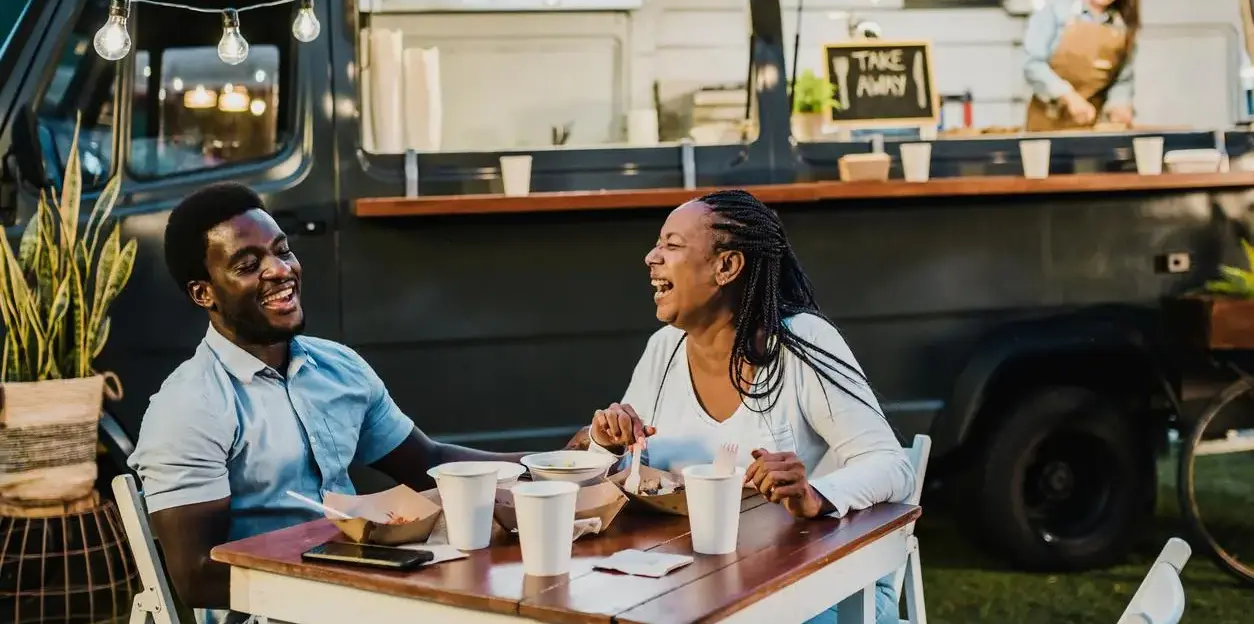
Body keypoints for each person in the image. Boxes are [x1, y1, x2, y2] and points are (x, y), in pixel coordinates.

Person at [127, 182, 525, 624]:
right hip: (274, 613)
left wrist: (559, 462)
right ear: (205, 294)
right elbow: (196, 576)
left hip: (363, 589)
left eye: (282, 251)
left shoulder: (338, 368)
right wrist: (353, 583)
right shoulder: (188, 409)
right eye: (248, 264)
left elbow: (427, 461)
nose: (280, 270)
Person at [585, 189, 915, 624]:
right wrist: (607, 440)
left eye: (672, 245)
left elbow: (892, 465)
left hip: (829, 589)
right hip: (702, 585)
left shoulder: (802, 343)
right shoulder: (662, 350)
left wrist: (815, 496)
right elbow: (621, 472)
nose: (651, 257)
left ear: (726, 266)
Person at [1022, 0, 1141, 131]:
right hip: (1045, 123)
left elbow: (1123, 80)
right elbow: (1032, 64)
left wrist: (1119, 105)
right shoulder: (1056, 7)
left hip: (1091, 127)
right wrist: (1069, 97)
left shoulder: (1121, 26)